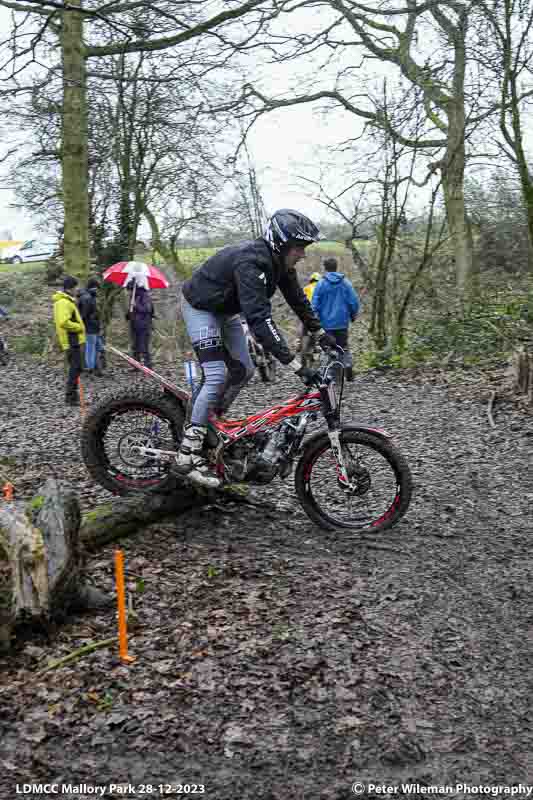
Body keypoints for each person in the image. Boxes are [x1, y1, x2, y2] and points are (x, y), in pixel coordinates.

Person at [175, 208, 337, 488]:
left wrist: (321, 333)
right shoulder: (251, 262)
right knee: (215, 376)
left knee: (245, 370)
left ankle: (209, 423)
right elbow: (260, 321)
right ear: (282, 244)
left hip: (224, 312)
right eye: (299, 248)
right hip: (200, 308)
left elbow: (298, 300)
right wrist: (296, 366)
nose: (302, 254)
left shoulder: (279, 264)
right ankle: (186, 456)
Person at [311, 256, 360, 381]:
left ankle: (331, 374)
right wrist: (353, 314)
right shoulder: (345, 283)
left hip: (326, 324)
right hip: (342, 322)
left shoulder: (321, 284)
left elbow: (314, 304)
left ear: (325, 268)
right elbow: (353, 301)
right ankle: (347, 364)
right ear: (336, 267)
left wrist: (314, 318)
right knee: (343, 346)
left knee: (329, 348)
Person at [53, 275, 86, 406]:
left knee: (76, 368)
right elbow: (63, 322)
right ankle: (70, 397)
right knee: (75, 369)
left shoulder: (67, 301)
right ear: (70, 288)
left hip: (73, 340)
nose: (77, 289)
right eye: (76, 287)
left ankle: (73, 396)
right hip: (72, 340)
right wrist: (79, 327)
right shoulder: (63, 303)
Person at [126, 278, 154, 369]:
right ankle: (136, 366)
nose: (129, 292)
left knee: (144, 347)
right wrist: (128, 314)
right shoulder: (133, 297)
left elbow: (147, 309)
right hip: (134, 325)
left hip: (144, 325)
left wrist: (136, 306)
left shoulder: (145, 296)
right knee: (135, 347)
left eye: (130, 290)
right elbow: (132, 311)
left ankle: (148, 366)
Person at [78, 277, 103, 375]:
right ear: (93, 287)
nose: (97, 291)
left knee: (97, 346)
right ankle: (91, 368)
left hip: (93, 326)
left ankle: (95, 367)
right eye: (96, 288)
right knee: (91, 347)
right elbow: (84, 315)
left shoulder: (88, 297)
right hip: (90, 327)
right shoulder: (87, 298)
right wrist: (94, 316)